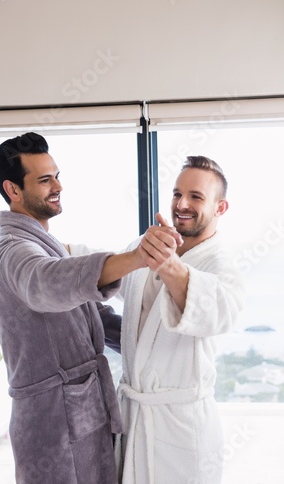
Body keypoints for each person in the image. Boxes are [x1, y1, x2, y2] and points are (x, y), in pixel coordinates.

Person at [0, 131, 177, 484]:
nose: (57, 186)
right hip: (51, 420)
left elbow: (91, 318)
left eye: (57, 176)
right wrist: (136, 258)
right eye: (44, 180)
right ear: (13, 190)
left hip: (82, 407)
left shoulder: (46, 244)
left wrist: (157, 342)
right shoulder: (14, 251)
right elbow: (49, 282)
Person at [69, 156, 245, 484]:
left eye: (196, 196)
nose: (182, 203)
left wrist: (168, 264)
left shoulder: (222, 268)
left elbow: (217, 314)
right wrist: (55, 248)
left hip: (183, 431)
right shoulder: (143, 245)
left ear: (221, 208)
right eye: (178, 194)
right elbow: (110, 267)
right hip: (135, 418)